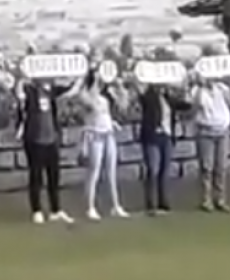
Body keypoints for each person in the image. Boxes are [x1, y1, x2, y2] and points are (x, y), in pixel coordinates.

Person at [16, 78, 79, 224]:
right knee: (36, 176)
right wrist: (22, 79)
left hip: (51, 140)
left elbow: (71, 90)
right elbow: (19, 94)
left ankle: (55, 210)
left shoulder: (52, 90)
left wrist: (81, 75)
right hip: (34, 140)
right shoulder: (29, 90)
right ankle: (36, 210)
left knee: (54, 177)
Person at [80, 69, 129, 221]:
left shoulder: (106, 97)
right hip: (94, 135)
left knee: (111, 172)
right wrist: (93, 81)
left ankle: (116, 205)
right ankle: (90, 207)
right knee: (93, 172)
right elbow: (90, 105)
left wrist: (120, 88)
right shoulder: (86, 95)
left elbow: (122, 106)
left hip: (108, 134)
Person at [136, 84, 187, 215]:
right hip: (152, 137)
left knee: (165, 170)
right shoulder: (149, 96)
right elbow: (142, 98)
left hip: (167, 136)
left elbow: (185, 105)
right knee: (153, 169)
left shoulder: (168, 98)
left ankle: (163, 202)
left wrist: (186, 90)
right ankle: (151, 203)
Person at [191, 74, 230, 212]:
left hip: (222, 131)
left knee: (221, 167)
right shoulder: (197, 90)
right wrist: (201, 86)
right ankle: (206, 199)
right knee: (206, 167)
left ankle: (220, 199)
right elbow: (197, 104)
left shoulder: (222, 88)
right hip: (205, 131)